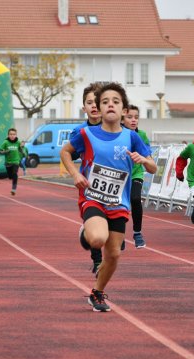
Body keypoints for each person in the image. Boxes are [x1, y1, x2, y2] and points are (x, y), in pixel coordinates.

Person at [60, 82, 157, 313]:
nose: (109, 105)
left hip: (118, 202)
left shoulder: (132, 137)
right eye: (104, 102)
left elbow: (153, 167)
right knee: (97, 240)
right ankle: (87, 231)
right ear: (99, 109)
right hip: (92, 196)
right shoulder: (86, 134)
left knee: (113, 254)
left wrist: (144, 161)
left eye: (115, 101)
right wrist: (75, 174)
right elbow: (65, 152)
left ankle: (97, 292)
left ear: (124, 110)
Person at [70, 82, 105, 274]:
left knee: (112, 237)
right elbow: (69, 153)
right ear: (84, 107)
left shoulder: (114, 128)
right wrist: (76, 174)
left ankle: (89, 233)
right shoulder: (80, 132)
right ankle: (97, 261)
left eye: (96, 102)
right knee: (96, 230)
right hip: (89, 186)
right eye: (89, 102)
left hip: (113, 188)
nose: (93, 106)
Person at [122, 104, 151, 249]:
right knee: (120, 204)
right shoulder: (118, 134)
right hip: (120, 175)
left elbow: (148, 155)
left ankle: (137, 233)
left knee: (135, 198)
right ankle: (119, 234)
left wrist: (144, 159)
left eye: (136, 117)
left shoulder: (142, 135)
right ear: (122, 118)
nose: (133, 120)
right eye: (129, 117)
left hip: (136, 173)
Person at [0, 128, 25, 196]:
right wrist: (5, 152)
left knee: (15, 173)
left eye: (14, 134)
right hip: (8, 163)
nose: (12, 136)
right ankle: (12, 179)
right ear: (8, 135)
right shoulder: (5, 142)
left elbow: (21, 150)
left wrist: (22, 150)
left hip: (16, 161)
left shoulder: (18, 142)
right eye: (11, 134)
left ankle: (14, 189)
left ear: (16, 135)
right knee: (10, 176)